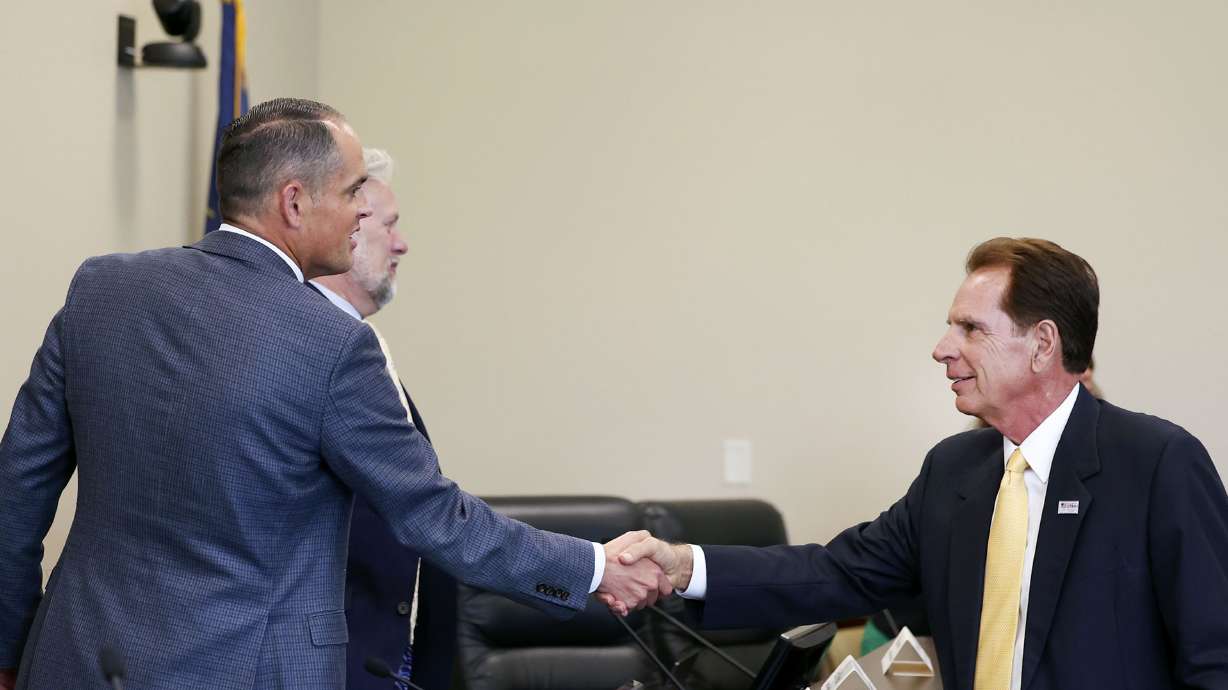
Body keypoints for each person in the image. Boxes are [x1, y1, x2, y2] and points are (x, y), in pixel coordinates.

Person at [0, 98, 668, 689]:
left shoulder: (101, 289)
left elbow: (17, 493)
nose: (359, 212)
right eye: (352, 193)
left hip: (74, 661)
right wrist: (592, 568)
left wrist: (8, 650)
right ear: (294, 202)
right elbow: (433, 516)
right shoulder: (331, 342)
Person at [613, 238, 1228, 690]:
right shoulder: (954, 470)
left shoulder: (1156, 463)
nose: (942, 349)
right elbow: (834, 573)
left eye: (971, 329)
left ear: (1042, 344)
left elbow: (1214, 657)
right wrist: (683, 565)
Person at [309, 148, 457, 690]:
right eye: (389, 225)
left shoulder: (363, 343)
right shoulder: (309, 351)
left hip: (386, 659)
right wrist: (588, 570)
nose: (402, 243)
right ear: (348, 232)